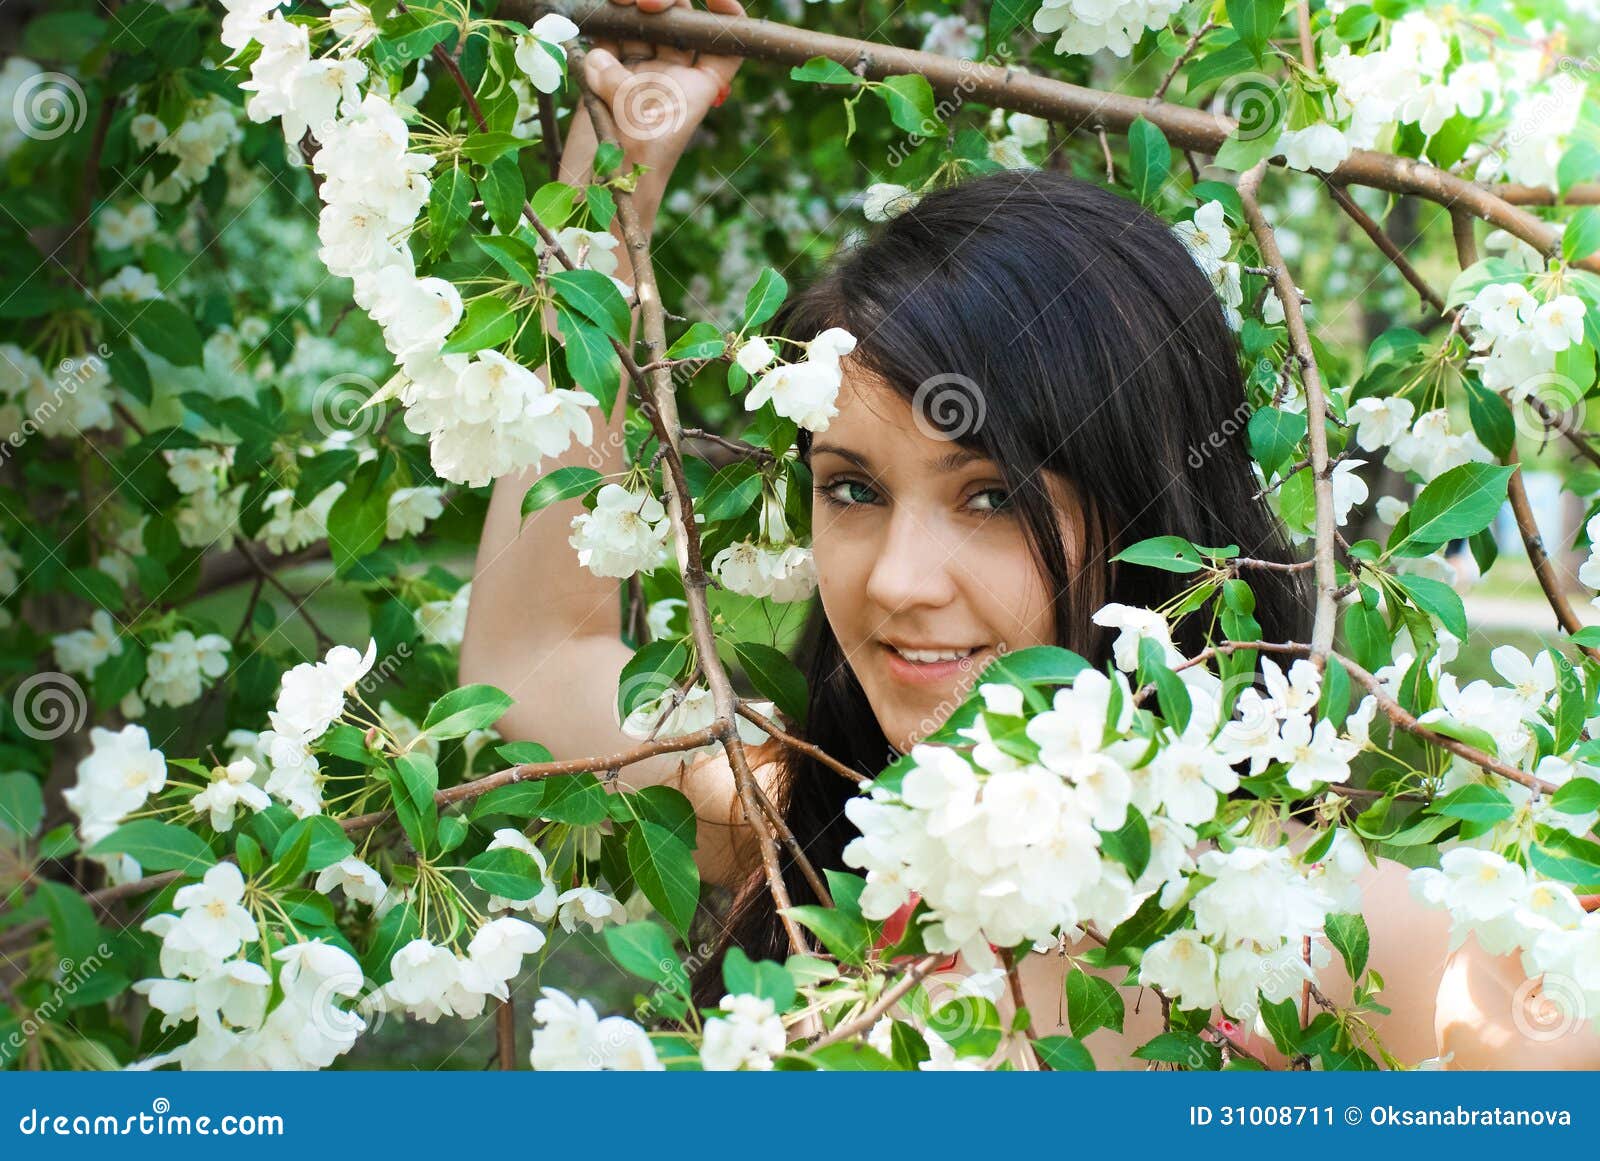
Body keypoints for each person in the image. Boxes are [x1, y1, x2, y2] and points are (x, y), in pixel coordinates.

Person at [460, 0, 1600, 1069]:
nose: (898, 582)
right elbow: (534, 666)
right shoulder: (811, 823)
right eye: (853, 489)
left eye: (992, 496)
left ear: (1147, 508)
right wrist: (614, 172)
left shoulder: (1330, 940)